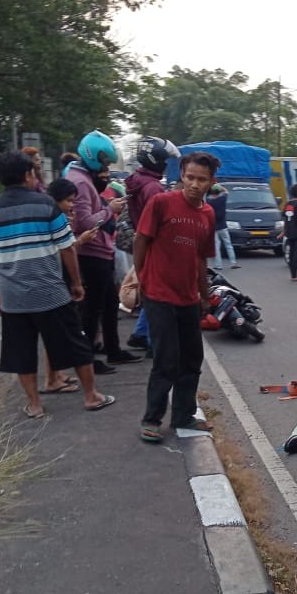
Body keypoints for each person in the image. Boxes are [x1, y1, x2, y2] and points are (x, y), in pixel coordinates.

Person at [0, 151, 115, 418]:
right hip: (50, 292)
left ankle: (35, 405)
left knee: (21, 351)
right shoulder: (46, 206)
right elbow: (66, 249)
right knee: (76, 343)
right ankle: (91, 396)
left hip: (13, 297)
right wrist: (76, 283)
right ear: (28, 175)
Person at [133, 151, 218, 443]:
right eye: (190, 177)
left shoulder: (207, 214)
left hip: (188, 298)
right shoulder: (161, 203)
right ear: (181, 175)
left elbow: (201, 258)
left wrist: (204, 296)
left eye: (202, 179)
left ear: (211, 182)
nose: (194, 184)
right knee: (166, 360)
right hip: (158, 294)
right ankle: (151, 418)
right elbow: (141, 240)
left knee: (192, 359)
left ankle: (183, 415)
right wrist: (141, 277)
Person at [65, 130, 141, 373]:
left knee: (109, 304)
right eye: (105, 161)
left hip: (101, 251)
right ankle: (89, 360)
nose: (106, 167)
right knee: (92, 309)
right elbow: (84, 222)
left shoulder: (82, 176)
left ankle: (113, 350)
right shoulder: (80, 181)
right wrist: (110, 209)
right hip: (92, 253)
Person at [40, 177, 101, 393]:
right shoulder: (52, 217)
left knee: (55, 331)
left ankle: (55, 374)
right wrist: (81, 240)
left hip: (57, 278)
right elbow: (64, 248)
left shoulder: (52, 216)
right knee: (59, 331)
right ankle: (51, 379)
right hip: (59, 278)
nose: (71, 205)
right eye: (68, 200)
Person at [125, 136, 179, 350]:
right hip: (154, 245)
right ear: (155, 160)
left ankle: (140, 333)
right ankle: (152, 342)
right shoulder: (152, 188)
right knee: (158, 293)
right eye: (164, 160)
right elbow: (160, 222)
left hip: (143, 241)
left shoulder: (138, 180)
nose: (166, 165)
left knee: (151, 290)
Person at [206, 183, 239, 271]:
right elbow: (226, 192)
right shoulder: (222, 199)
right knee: (228, 244)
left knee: (216, 246)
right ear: (219, 191)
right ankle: (233, 263)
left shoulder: (209, 201)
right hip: (223, 226)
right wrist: (220, 186)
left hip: (213, 226)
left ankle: (219, 265)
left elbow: (207, 194)